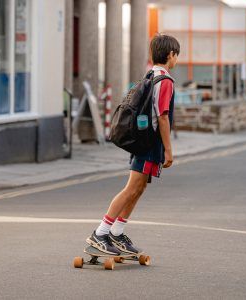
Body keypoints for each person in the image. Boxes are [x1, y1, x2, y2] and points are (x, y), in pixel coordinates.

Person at [86, 34, 180, 255]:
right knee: (131, 189)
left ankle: (116, 233)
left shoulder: (150, 75)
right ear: (171, 55)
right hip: (151, 142)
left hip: (142, 139)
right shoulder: (165, 81)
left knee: (138, 187)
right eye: (176, 55)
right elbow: (163, 117)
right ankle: (100, 233)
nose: (177, 59)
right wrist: (168, 150)